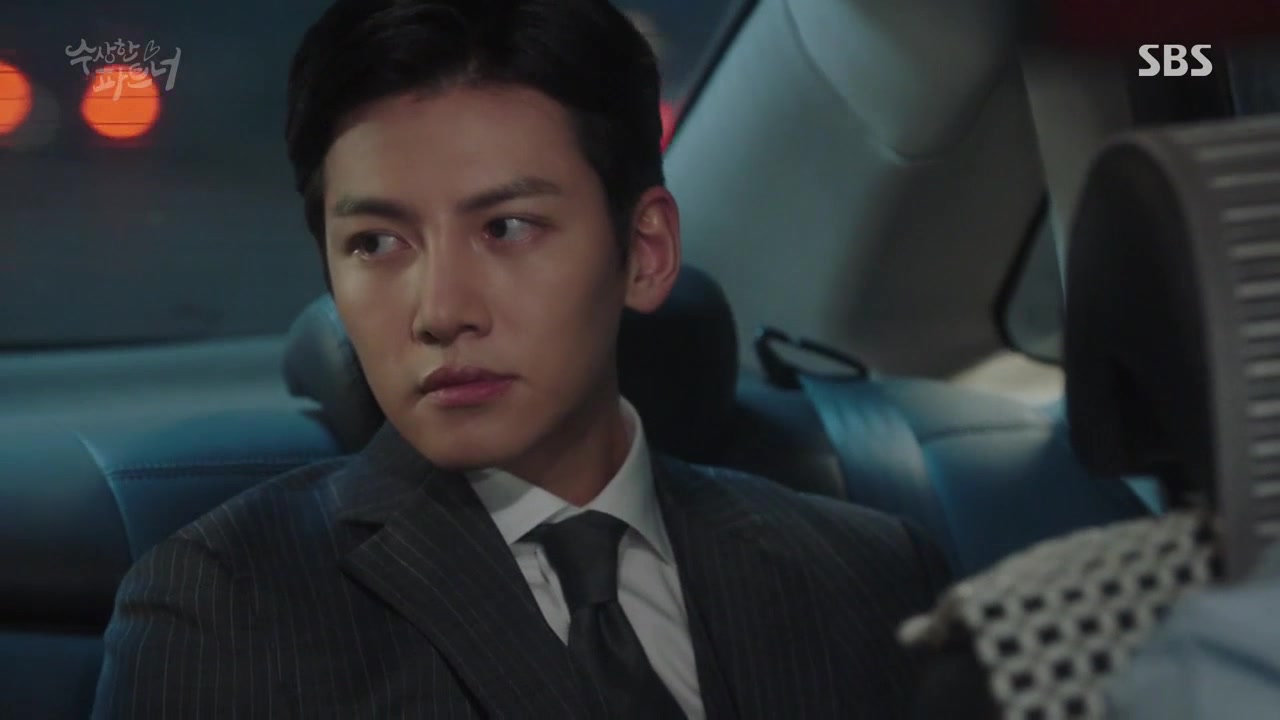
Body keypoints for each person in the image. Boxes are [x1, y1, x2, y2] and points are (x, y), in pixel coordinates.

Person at [91, 0, 950, 717]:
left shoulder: (872, 577)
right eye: (377, 242)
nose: (441, 311)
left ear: (646, 251)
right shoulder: (226, 610)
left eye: (507, 228)